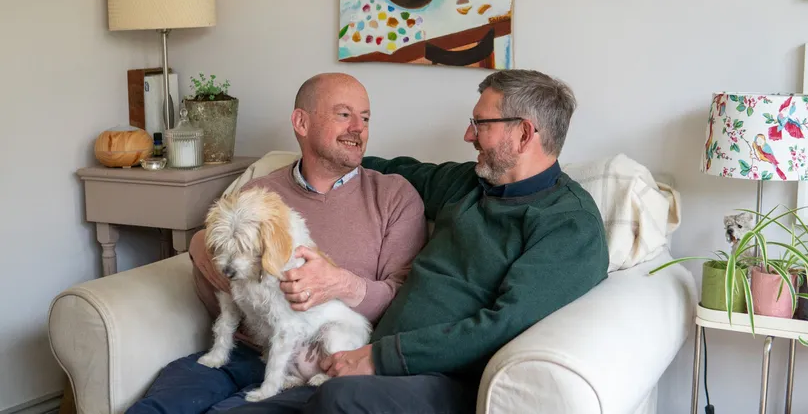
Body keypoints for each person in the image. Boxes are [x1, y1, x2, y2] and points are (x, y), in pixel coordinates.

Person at [226, 69, 610, 414]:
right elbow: (384, 170)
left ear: (523, 133)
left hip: (447, 378)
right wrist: (316, 158)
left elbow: (502, 325)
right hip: (367, 358)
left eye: (480, 124)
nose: (468, 135)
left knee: (338, 399)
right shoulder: (468, 183)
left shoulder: (568, 225)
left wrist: (382, 357)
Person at [125, 72, 428, 414]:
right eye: (344, 114)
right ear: (301, 122)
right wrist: (202, 247)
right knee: (158, 406)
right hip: (243, 349)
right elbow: (222, 275)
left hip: (319, 359)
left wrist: (341, 284)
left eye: (366, 118)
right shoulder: (257, 194)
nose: (358, 127)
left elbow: (406, 300)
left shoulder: (393, 196)